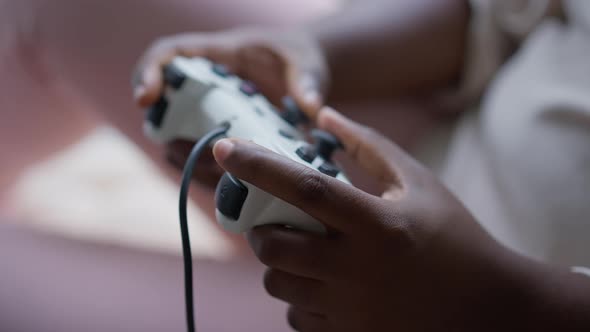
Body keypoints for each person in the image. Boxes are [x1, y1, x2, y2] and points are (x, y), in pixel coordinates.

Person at [133, 0, 590, 330]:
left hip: (481, 302)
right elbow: (497, 12)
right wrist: (309, 53)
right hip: (443, 143)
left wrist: (503, 302)